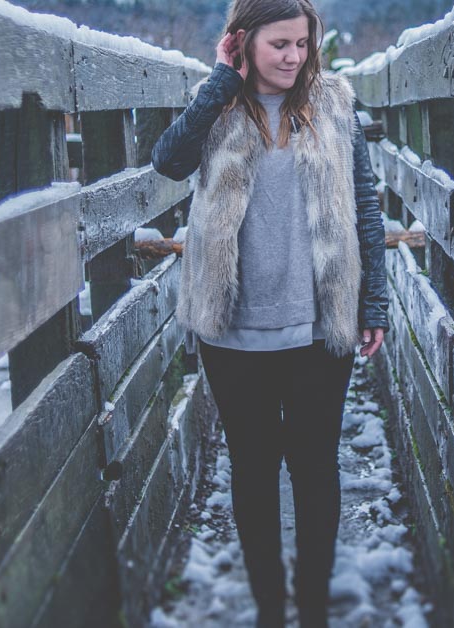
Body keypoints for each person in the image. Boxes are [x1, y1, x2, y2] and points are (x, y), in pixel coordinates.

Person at [151, 0, 389, 625]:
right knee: (253, 470)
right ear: (244, 42)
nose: (292, 57)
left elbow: (366, 206)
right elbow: (168, 160)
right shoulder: (220, 106)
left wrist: (374, 302)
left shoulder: (336, 105)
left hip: (319, 326)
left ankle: (311, 609)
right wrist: (220, 81)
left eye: (302, 44)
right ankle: (269, 611)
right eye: (278, 44)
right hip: (234, 331)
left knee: (315, 468)